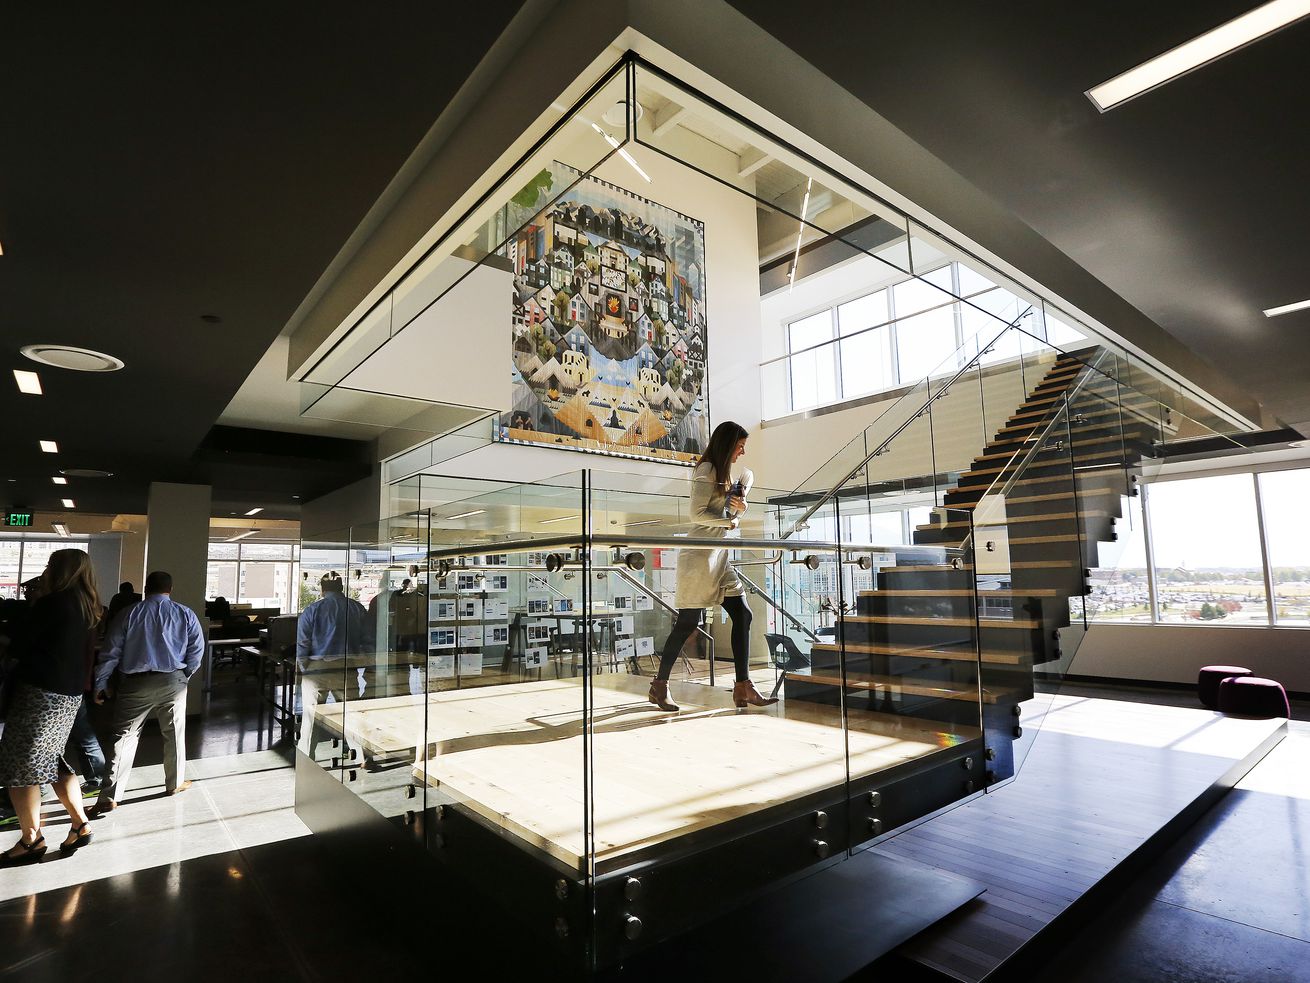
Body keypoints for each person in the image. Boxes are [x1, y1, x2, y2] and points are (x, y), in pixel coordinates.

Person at [648, 421, 777, 712]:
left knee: (742, 614)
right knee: (687, 623)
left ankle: (743, 686)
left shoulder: (728, 474)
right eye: (740, 446)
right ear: (728, 444)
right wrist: (729, 520)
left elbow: (726, 515)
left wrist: (738, 510)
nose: (742, 453)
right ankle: (659, 685)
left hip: (719, 555)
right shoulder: (705, 470)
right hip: (698, 557)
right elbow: (697, 515)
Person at [0, 549, 100, 863]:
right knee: (53, 761)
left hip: (39, 694)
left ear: (58, 570)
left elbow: (20, 646)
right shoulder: (89, 607)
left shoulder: (52, 603)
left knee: (20, 767)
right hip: (68, 696)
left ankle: (32, 839)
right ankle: (80, 824)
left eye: (48, 565)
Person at [89, 570, 204, 816]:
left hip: (134, 683)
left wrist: (101, 682)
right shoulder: (185, 614)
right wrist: (184, 676)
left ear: (146, 588)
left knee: (124, 738)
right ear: (170, 590)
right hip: (173, 680)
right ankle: (174, 784)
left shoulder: (129, 613)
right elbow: (196, 650)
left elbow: (111, 652)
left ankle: (110, 796)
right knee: (174, 733)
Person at [296, 573, 372, 758]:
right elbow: (367, 639)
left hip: (316, 669)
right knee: (351, 713)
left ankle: (307, 756)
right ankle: (360, 755)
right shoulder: (357, 608)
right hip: (346, 667)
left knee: (311, 717)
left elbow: (303, 643)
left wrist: (304, 668)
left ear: (322, 590)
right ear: (342, 588)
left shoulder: (312, 610)